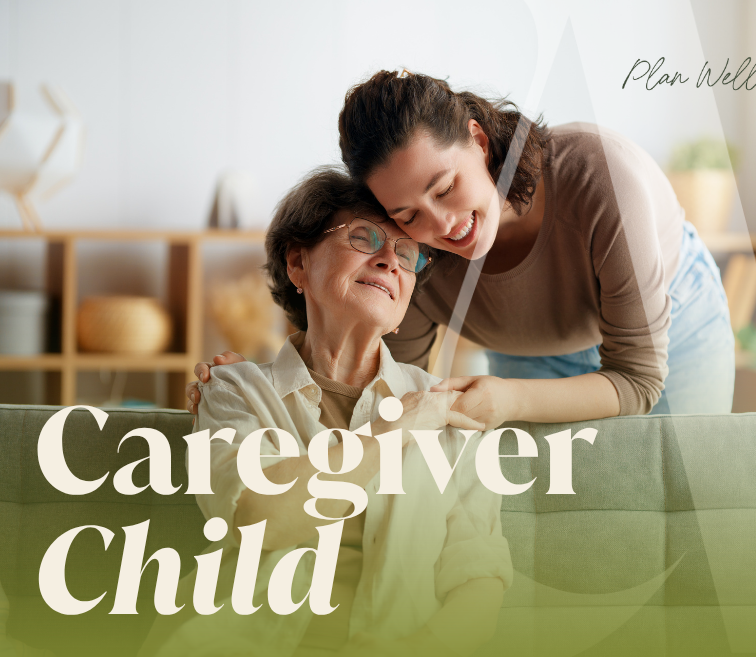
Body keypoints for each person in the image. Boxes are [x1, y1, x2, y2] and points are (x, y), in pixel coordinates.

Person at [189, 70, 735, 426]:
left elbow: (638, 379)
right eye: (407, 215)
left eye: (445, 187)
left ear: (477, 140)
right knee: (550, 523)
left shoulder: (601, 179)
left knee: (693, 503)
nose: (445, 225)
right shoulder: (413, 257)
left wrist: (511, 400)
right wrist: (255, 388)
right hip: (530, 354)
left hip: (668, 329)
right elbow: (375, 388)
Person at [144, 168, 512, 657]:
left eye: (406, 253)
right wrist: (397, 426)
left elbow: (479, 578)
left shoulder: (445, 408)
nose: (389, 262)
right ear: (298, 263)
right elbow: (262, 518)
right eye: (365, 238)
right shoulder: (234, 390)